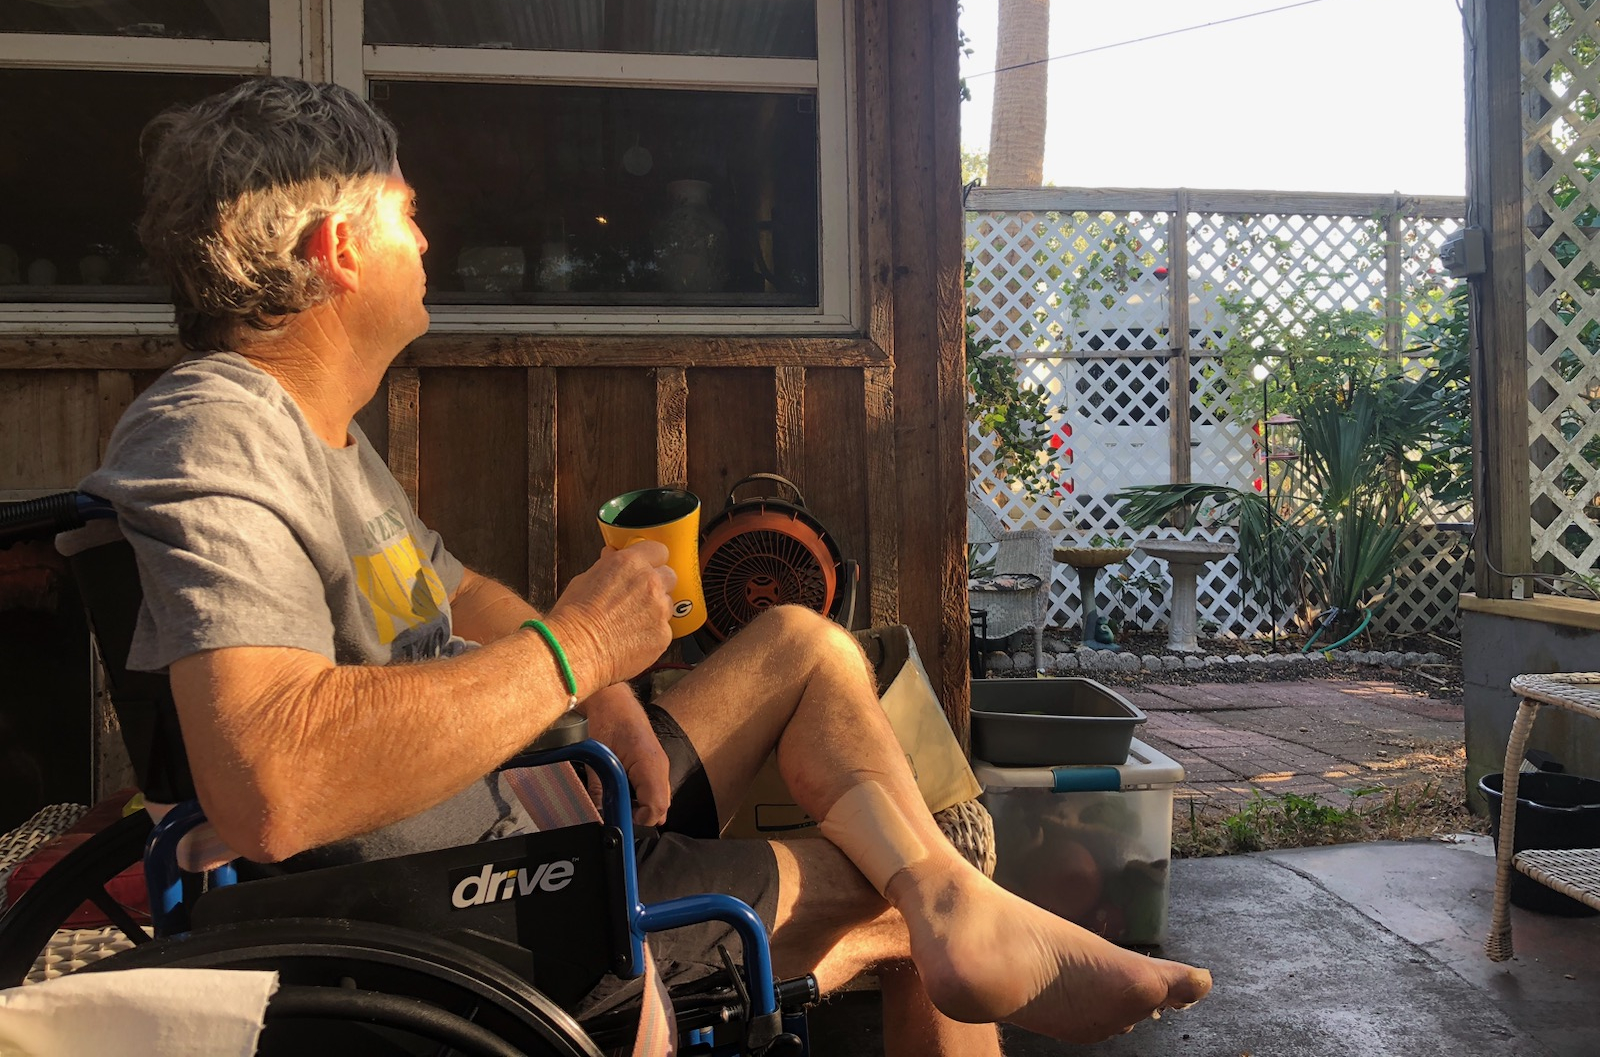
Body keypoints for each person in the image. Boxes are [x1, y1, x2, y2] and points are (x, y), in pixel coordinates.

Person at [86, 77, 1211, 1054]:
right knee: (898, 893)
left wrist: (610, 684)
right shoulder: (212, 430)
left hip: (508, 797)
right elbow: (274, 784)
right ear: (338, 250)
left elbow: (450, 587)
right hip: (464, 896)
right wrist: (572, 651)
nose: (425, 241)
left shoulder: (317, 431)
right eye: (407, 215)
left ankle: (951, 897)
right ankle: (950, 907)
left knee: (802, 646)